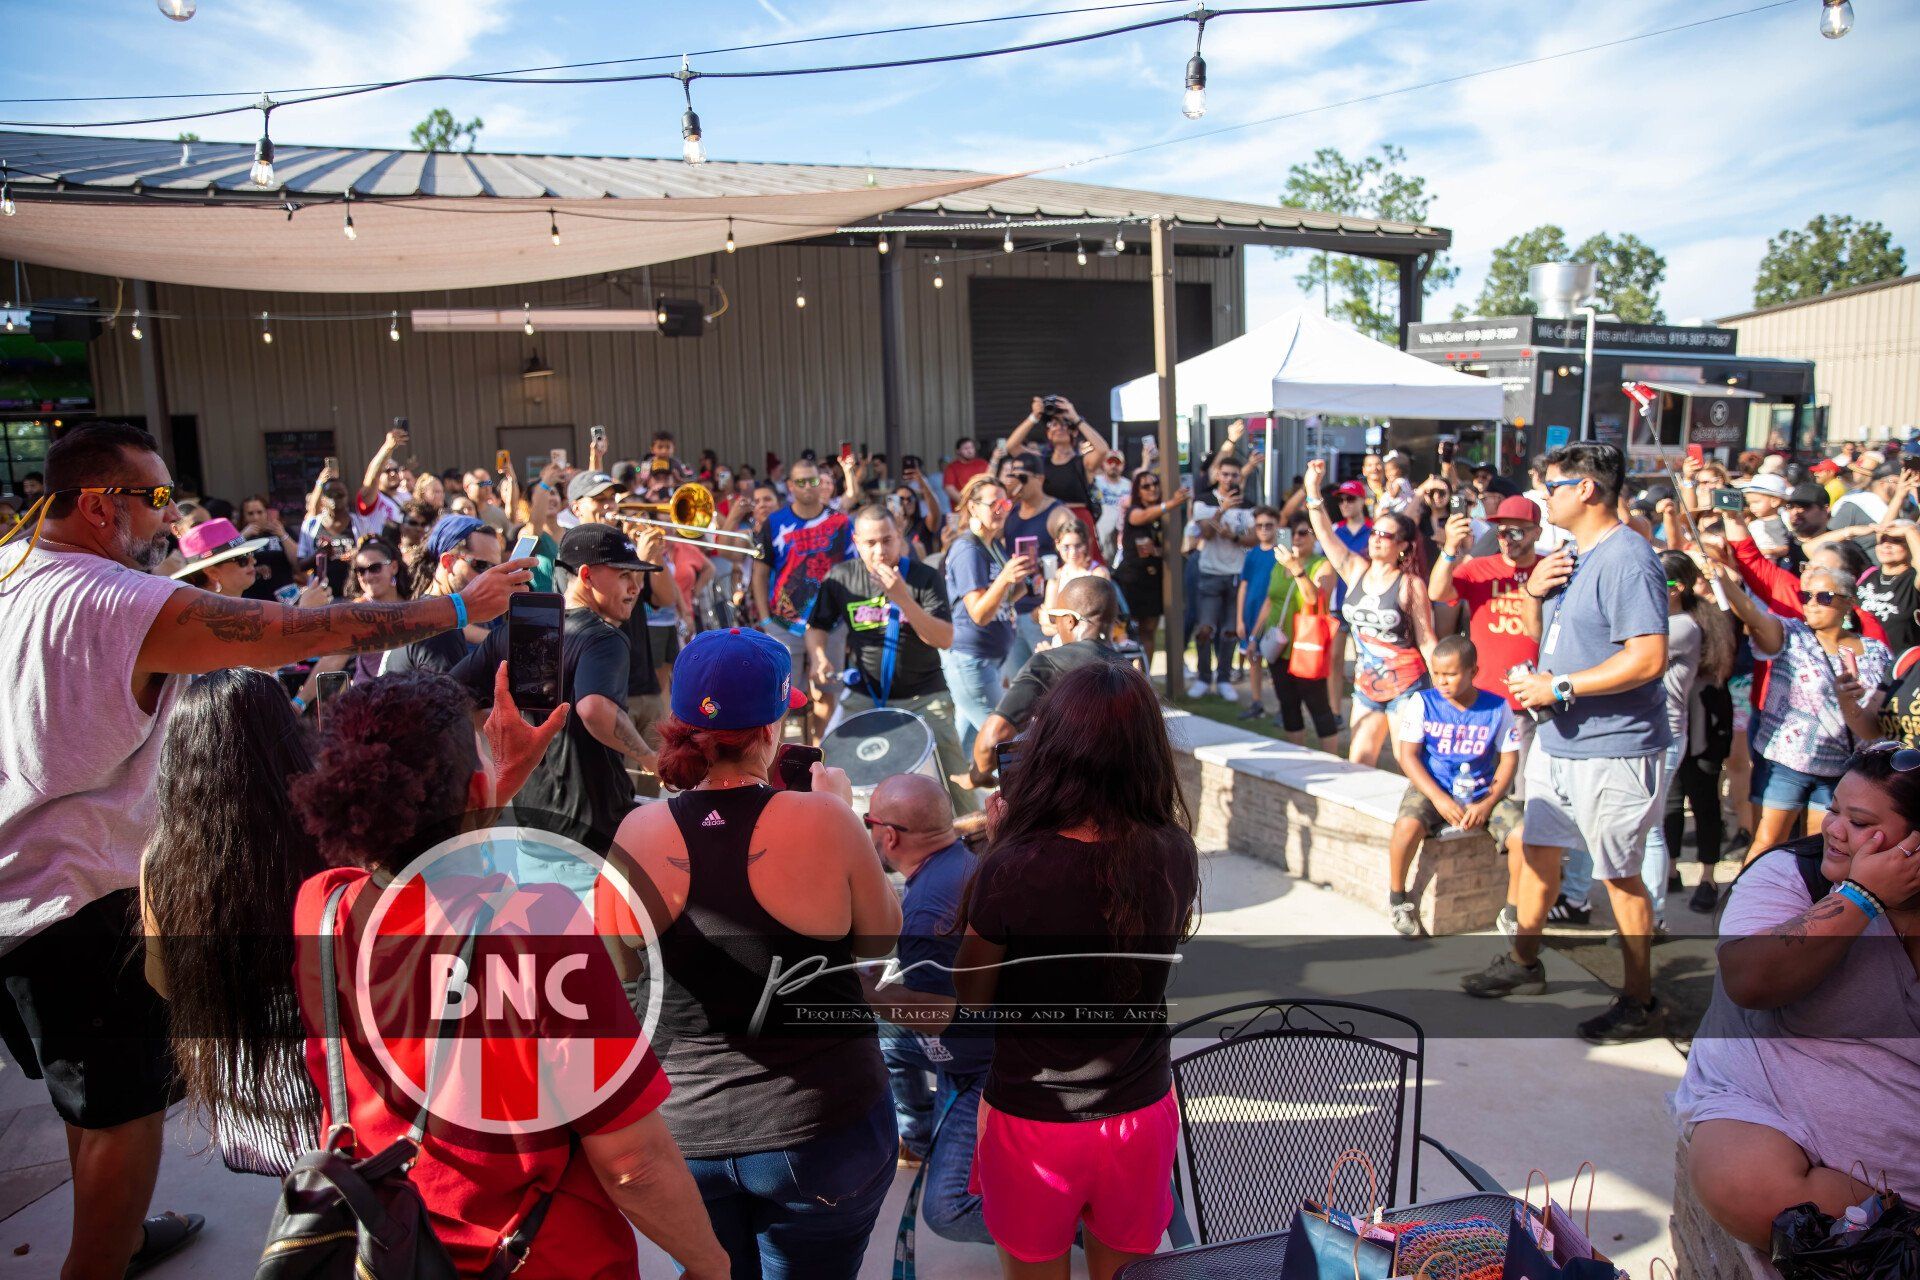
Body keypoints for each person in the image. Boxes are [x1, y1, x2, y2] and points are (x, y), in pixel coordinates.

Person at [0, 422, 530, 1280]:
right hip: (72, 901)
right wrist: (456, 608)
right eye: (156, 498)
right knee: (121, 1119)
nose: (169, 519)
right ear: (99, 505)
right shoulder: (114, 598)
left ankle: (119, 1239)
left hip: (24, 894)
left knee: (88, 1103)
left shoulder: (12, 570)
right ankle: (97, 1262)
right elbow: (291, 631)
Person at [288, 670, 731, 1279]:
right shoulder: (540, 930)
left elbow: (422, 877)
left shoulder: (322, 905)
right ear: (477, 792)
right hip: (535, 1258)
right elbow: (634, 1161)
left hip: (386, 1242)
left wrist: (484, 787)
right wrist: (711, 1266)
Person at [611, 627, 902, 1278]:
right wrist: (840, 815)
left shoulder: (636, 830)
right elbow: (881, 943)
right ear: (771, 730)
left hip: (687, 1132)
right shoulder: (824, 820)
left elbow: (620, 975)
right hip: (823, 1128)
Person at [955, 660, 1199, 1279]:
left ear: (1055, 750)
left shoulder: (1015, 865)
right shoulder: (1174, 849)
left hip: (1037, 1118)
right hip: (1139, 1111)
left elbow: (972, 995)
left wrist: (1002, 846)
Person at [1462, 442, 1671, 1045]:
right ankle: (1524, 963)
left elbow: (1648, 658)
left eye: (1550, 486)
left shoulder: (1628, 559)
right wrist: (1533, 594)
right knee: (1536, 852)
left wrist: (1559, 686)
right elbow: (1544, 637)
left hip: (1614, 747)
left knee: (1619, 877)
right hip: (1559, 739)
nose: (1541, 496)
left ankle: (1641, 1001)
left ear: (1586, 489)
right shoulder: (1572, 553)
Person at [1675, 742, 1920, 1248]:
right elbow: (1749, 981)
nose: (1833, 829)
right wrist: (1862, 898)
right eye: (1834, 810)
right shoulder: (1791, 875)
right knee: (1744, 1182)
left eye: (1858, 822)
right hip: (1766, 1107)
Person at [137, 669, 324, 1177]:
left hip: (250, 1099)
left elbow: (164, 981)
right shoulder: (324, 839)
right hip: (337, 1092)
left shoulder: (161, 861)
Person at [452, 523, 659, 852]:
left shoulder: (515, 631)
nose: (635, 588)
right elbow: (594, 708)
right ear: (586, 575)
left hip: (532, 834)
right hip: (594, 840)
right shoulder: (605, 639)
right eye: (624, 575)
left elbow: (450, 696)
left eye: (637, 576)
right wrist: (650, 758)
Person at [862, 773, 992, 1245]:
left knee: (946, 1210)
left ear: (889, 835)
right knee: (883, 1038)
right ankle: (918, 1140)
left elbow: (936, 1016)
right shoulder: (960, 860)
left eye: (869, 822)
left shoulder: (925, 913)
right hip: (992, 1036)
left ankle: (1081, 1223)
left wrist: (860, 988)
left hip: (981, 1067)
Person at [1711, 558, 1889, 861]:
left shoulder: (1876, 652)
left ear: (1848, 604)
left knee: (1819, 851)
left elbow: (1881, 712)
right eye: (1807, 596)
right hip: (1786, 763)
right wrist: (1723, 580)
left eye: (1824, 597)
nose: (1812, 604)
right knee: (1766, 845)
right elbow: (1753, 616)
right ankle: (1748, 894)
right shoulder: (1791, 634)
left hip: (1842, 768)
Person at [1430, 493, 1547, 934]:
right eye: (1500, 530)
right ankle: (1498, 884)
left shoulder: (1549, 569)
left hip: (1532, 705)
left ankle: (1522, 891)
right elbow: (1437, 591)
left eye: (1517, 530)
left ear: (1536, 532)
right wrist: (1449, 549)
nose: (1507, 538)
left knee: (1525, 798)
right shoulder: (1480, 568)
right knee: (1480, 788)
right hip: (1483, 705)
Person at [807, 505, 972, 811]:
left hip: (924, 695)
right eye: (870, 543)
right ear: (857, 542)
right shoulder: (841, 578)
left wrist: (903, 598)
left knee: (954, 778)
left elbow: (943, 639)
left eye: (887, 540)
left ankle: (972, 836)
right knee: (830, 769)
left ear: (900, 537)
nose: (880, 551)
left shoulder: (924, 577)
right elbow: (817, 626)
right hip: (865, 695)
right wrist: (818, 657)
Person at [1303, 460, 1437, 768]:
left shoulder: (1410, 585)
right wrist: (1312, 488)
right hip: (1366, 687)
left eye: (1385, 535)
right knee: (1358, 763)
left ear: (1402, 546)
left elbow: (1426, 640)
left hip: (1407, 685)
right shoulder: (1355, 570)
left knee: (1410, 765)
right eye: (1374, 531)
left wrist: (1445, 684)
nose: (1375, 538)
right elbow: (1325, 534)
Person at [1386, 636, 1523, 937]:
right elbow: (1407, 756)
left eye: (1450, 674)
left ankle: (1512, 913)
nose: (1441, 681)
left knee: (1524, 838)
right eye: (1436, 673)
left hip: (1482, 791)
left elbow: (1509, 760)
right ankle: (1397, 898)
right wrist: (1438, 799)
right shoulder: (1423, 702)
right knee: (1406, 827)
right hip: (1432, 787)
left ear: (1473, 671)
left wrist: (1487, 803)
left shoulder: (1497, 707)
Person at [968, 576, 1127, 783]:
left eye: (1054, 618)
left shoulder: (1046, 664)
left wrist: (976, 777)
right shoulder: (1130, 671)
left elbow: (992, 740)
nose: (1055, 625)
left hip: (1069, 793)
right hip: (1126, 792)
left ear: (1070, 620)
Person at [754, 456, 854, 733]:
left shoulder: (840, 522)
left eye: (813, 480)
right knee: (780, 698)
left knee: (827, 691)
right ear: (790, 485)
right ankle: (778, 754)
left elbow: (852, 571)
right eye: (801, 482)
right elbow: (759, 573)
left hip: (831, 621)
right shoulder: (774, 522)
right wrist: (765, 619)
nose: (808, 486)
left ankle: (820, 749)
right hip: (785, 622)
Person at [943, 475, 1035, 762]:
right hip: (972, 660)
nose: (1000, 509)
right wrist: (1005, 578)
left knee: (965, 745)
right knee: (1005, 740)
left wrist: (1022, 582)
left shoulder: (992, 545)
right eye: (993, 503)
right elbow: (979, 613)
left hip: (989, 659)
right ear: (973, 507)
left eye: (1005, 503)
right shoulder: (968, 549)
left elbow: (1002, 600)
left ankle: (955, 784)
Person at [1249, 516, 1340, 749]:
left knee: (1318, 707)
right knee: (1288, 705)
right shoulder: (1279, 565)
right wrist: (1254, 636)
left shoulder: (1323, 565)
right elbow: (1270, 600)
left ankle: (1333, 761)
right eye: (1293, 533)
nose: (1297, 538)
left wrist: (1296, 568)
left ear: (1314, 537)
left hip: (1306, 648)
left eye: (1302, 533)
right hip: (1278, 647)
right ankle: (1298, 756)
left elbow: (1315, 600)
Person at [379, 514, 502, 675]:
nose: (488, 577)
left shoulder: (428, 611)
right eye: (481, 566)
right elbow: (449, 691)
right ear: (447, 562)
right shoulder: (439, 629)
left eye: (495, 569)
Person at [1185, 455, 1258, 701]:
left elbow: (1253, 538)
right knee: (1205, 628)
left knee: (1230, 630)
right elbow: (1204, 533)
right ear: (1217, 475)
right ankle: (1203, 678)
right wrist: (1222, 510)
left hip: (1236, 573)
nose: (1229, 479)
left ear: (1240, 477)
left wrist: (1233, 536)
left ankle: (1224, 678)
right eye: (1225, 474)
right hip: (1210, 572)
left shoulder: (1248, 505)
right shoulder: (1204, 500)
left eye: (1234, 475)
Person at [1005, 395, 1110, 553]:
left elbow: (1102, 450)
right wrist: (1034, 416)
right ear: (1048, 433)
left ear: (1073, 432)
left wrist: (1075, 418)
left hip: (1078, 520)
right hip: (1047, 520)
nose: (1059, 428)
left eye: (1064, 424)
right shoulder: (1041, 462)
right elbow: (1012, 447)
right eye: (1053, 424)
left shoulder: (1082, 462)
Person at [1111, 468, 1187, 677]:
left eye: (1155, 484)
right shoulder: (1134, 510)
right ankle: (1125, 678)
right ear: (1137, 491)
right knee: (1127, 632)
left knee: (1149, 630)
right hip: (1131, 581)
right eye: (1146, 486)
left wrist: (1159, 550)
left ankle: (1144, 679)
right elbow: (1141, 517)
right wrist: (1172, 503)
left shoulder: (1163, 517)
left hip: (1153, 581)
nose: (1152, 488)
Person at [998, 461, 1065, 679]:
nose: (1017, 482)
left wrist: (1050, 605)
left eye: (1023, 477)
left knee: (1050, 682)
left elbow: (1075, 556)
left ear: (1040, 478)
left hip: (1039, 612)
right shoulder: (1009, 512)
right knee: (1017, 684)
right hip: (1013, 611)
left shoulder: (1057, 512)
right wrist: (1006, 497)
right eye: (1012, 476)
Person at [1232, 506, 1282, 719]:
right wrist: (1239, 619)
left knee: (1275, 662)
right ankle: (1256, 702)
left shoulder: (1281, 554)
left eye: (1268, 525)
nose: (1263, 529)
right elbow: (1243, 586)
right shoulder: (1251, 554)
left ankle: (1283, 706)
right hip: (1250, 612)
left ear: (1276, 526)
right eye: (1259, 525)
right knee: (1253, 658)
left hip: (1273, 614)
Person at [1038, 509, 1108, 644]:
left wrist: (1054, 622)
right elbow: (1045, 628)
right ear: (1057, 544)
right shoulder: (1057, 576)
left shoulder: (1098, 573)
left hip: (1089, 646)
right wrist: (1053, 622)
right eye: (1066, 547)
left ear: (1087, 544)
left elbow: (1097, 623)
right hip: (1061, 646)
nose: (1072, 552)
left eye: (1078, 546)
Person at [169, 516, 272, 597]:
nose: (253, 561)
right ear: (212, 572)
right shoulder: (206, 615)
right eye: (243, 558)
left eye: (250, 553)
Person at [237, 493, 301, 600]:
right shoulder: (238, 537)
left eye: (259, 512)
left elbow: (298, 562)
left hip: (285, 596)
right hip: (252, 597)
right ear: (243, 516)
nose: (255, 517)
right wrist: (242, 536)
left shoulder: (283, 531)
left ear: (266, 512)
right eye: (250, 514)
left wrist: (283, 535)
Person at [1092, 451, 1132, 563]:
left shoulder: (1128, 484)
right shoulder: (1096, 481)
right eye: (1110, 462)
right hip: (1101, 531)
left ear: (1123, 465)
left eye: (1117, 462)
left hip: (1121, 532)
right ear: (1103, 464)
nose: (1113, 465)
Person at [943, 436, 990, 507]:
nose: (970, 451)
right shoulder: (952, 467)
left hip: (983, 506)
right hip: (961, 509)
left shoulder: (983, 463)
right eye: (966, 448)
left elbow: (991, 481)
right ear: (958, 451)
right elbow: (949, 488)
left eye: (972, 447)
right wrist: (966, 504)